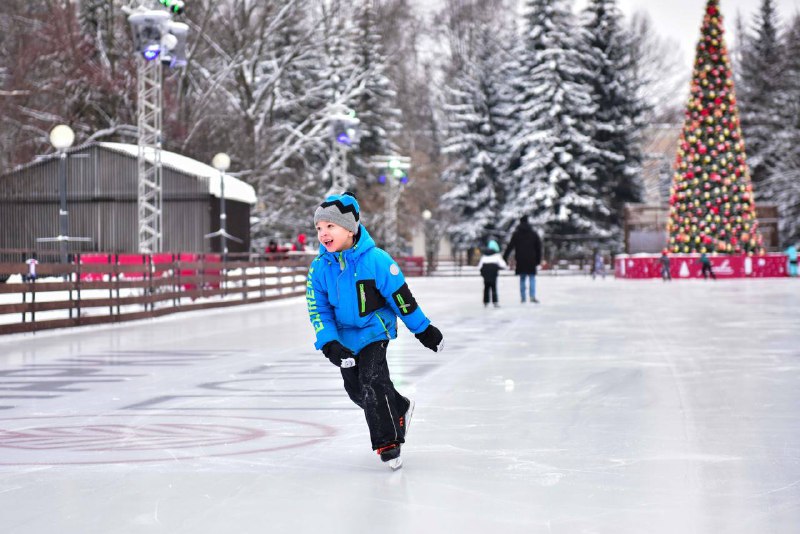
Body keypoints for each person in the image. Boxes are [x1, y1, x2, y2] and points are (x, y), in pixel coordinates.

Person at [306, 192, 444, 470]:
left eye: (330, 226)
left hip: (374, 330)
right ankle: (399, 407)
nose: (323, 234)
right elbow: (318, 310)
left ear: (349, 228)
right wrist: (329, 343)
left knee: (373, 381)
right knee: (356, 390)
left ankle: (388, 444)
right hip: (344, 338)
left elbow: (401, 298)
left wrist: (424, 330)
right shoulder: (319, 269)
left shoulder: (376, 260)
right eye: (319, 228)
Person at [503, 215, 542, 303]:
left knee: (522, 278)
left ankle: (523, 297)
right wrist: (538, 260)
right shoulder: (533, 233)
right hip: (532, 259)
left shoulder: (516, 234)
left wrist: (505, 257)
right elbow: (538, 248)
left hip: (520, 259)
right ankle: (532, 296)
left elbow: (510, 246)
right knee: (532, 278)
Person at [477, 239, 508, 308]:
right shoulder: (497, 256)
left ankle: (486, 301)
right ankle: (495, 302)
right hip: (493, 274)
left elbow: (479, 266)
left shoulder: (484, 256)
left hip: (486, 275)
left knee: (486, 287)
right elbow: (503, 265)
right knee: (493, 287)